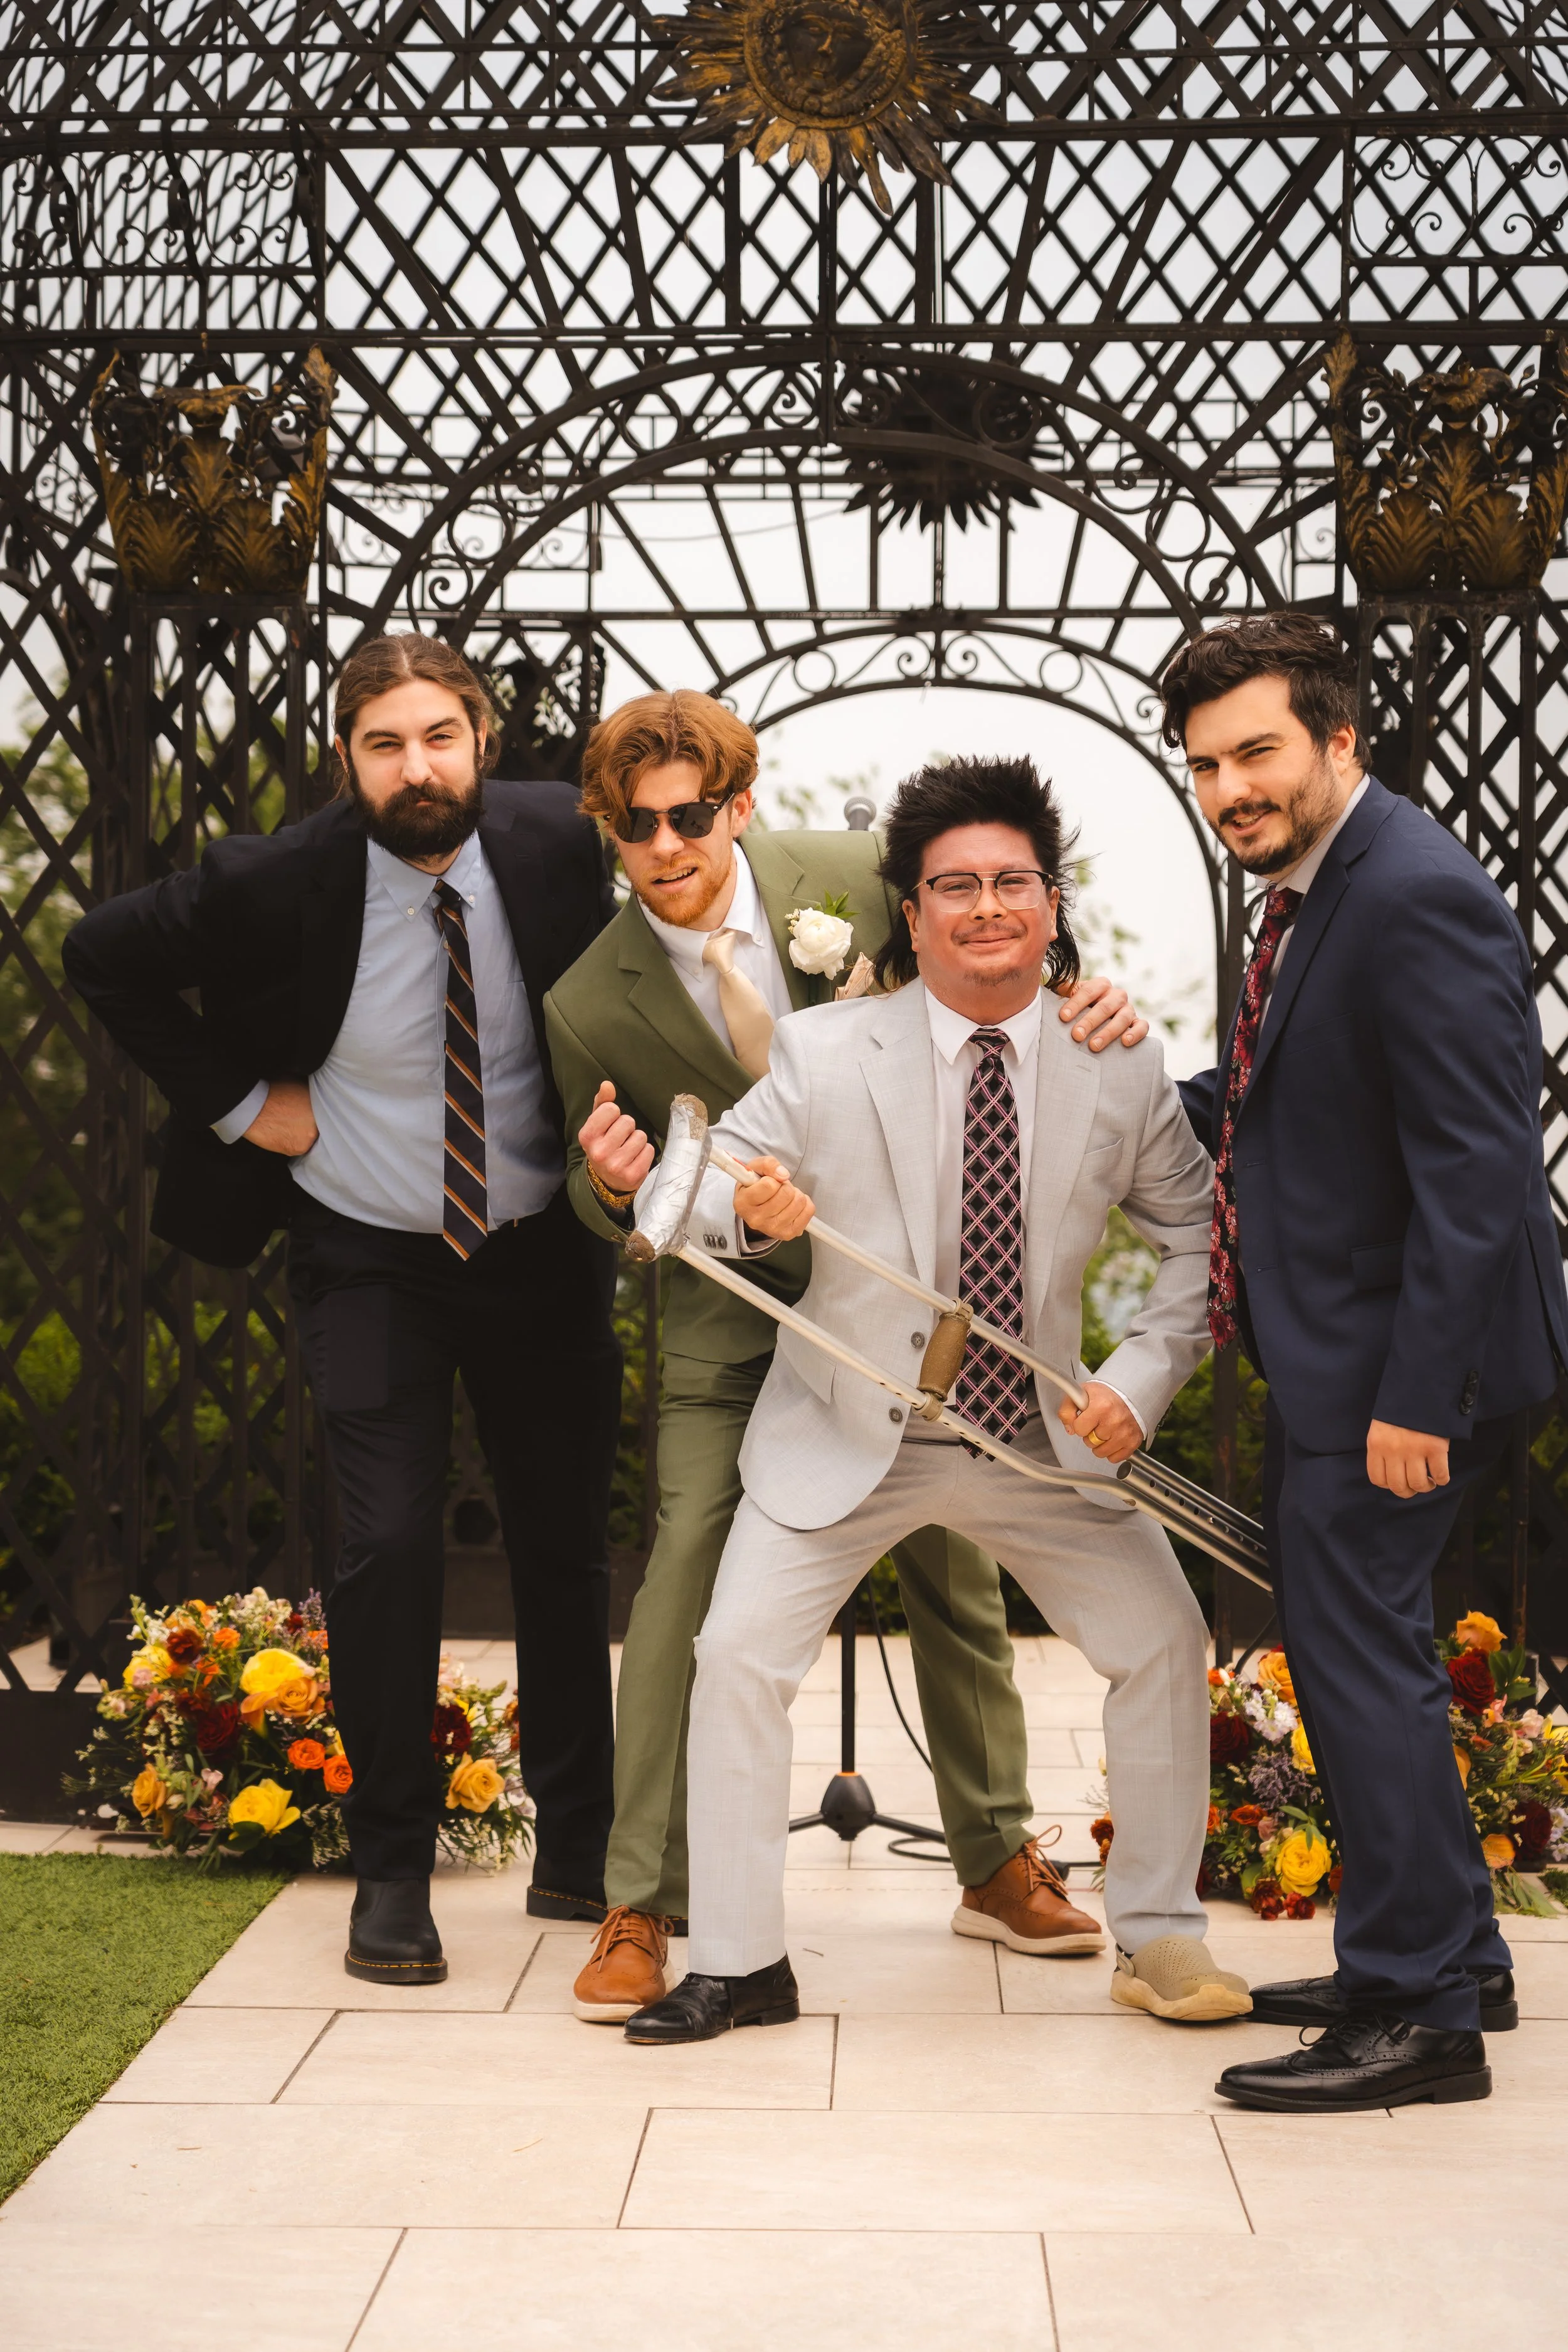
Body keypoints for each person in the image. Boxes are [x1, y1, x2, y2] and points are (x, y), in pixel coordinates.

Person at [623, 751, 1252, 2045]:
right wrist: (746, 1211)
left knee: (1161, 1641)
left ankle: (1159, 1939)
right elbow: (670, 1201)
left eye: (1009, 883)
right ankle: (739, 1964)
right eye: (950, 887)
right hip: (846, 1430)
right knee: (735, 1655)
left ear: (1049, 901)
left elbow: (1199, 1238)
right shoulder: (817, 1048)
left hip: (1035, 1439)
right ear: (907, 913)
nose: (982, 909)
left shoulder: (1115, 1061)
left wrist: (1137, 1383)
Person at [63, 633, 623, 1983]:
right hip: (371, 1249)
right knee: (383, 1545)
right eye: (385, 743)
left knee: (561, 1543)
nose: (415, 766)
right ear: (348, 759)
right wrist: (247, 1107)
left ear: (482, 741)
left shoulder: (559, 839)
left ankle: (581, 1848)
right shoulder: (271, 879)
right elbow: (99, 952)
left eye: (438, 735)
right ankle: (390, 1872)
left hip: (539, 1242)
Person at [1160, 612, 1568, 2113]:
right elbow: (1299, 1094)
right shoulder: (1319, 891)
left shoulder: (1409, 894)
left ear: (1340, 738)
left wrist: (1416, 1400)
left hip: (1396, 1372)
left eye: (1256, 752)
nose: (1228, 790)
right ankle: (1453, 1955)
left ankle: (1415, 2021)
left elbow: (1476, 1172)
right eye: (1205, 765)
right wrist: (1145, 1074)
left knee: (1360, 1673)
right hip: (1346, 1351)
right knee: (1363, 1663)